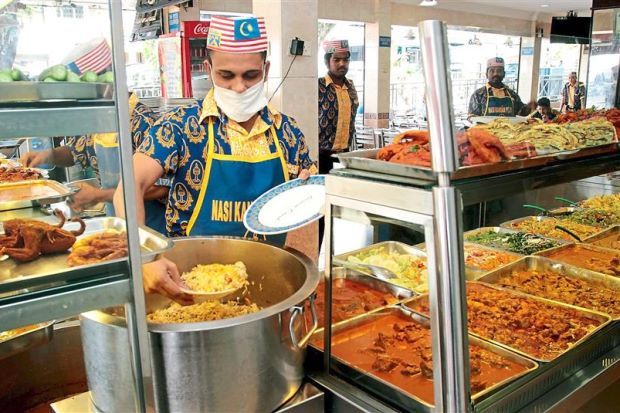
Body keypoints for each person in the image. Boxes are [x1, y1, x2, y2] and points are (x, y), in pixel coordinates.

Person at [114, 15, 316, 304]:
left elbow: (304, 206)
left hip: (267, 286)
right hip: (189, 287)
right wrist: (144, 257)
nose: (238, 87)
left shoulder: (289, 132)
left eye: (250, 76)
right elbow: (131, 183)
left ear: (266, 69)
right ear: (208, 69)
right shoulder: (180, 126)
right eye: (226, 75)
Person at [20, 93, 170, 234]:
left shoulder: (144, 122)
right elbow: (75, 151)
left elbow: (163, 189)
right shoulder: (99, 119)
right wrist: (47, 155)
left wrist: (98, 195)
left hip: (150, 226)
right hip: (117, 222)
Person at [318, 39, 359, 174]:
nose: (342, 64)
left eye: (345, 60)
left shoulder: (351, 87)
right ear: (327, 62)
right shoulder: (318, 86)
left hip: (345, 154)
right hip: (322, 156)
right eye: (336, 60)